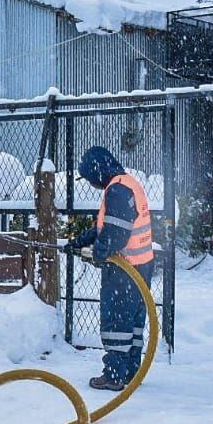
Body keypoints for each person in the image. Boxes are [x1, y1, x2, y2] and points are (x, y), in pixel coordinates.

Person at [72, 146, 154, 392]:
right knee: (133, 321)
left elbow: (116, 234)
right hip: (141, 266)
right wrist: (81, 240)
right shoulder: (127, 183)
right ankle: (131, 371)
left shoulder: (116, 189)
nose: (91, 184)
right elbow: (110, 225)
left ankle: (114, 375)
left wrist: (98, 252)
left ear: (98, 172)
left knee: (116, 322)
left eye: (90, 178)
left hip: (124, 270)